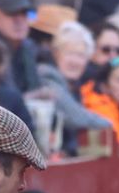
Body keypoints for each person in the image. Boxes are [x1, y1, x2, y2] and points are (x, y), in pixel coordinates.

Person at [39, 20, 112, 150]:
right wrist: (110, 125)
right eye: (70, 53)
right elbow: (74, 116)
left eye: (81, 55)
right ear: (56, 53)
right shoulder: (46, 77)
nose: (75, 61)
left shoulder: (79, 85)